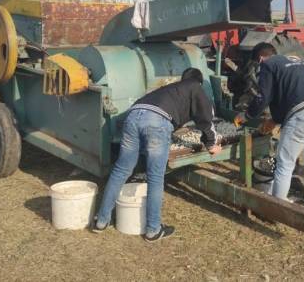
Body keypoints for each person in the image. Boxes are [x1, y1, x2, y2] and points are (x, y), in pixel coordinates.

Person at [93, 68, 222, 241]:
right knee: (155, 176)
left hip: (133, 116)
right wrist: (211, 144)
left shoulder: (170, 89)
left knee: (121, 170)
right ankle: (153, 230)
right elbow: (205, 117)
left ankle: (101, 221)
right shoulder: (194, 86)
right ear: (198, 81)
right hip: (157, 122)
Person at [236, 43, 304, 213]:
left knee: (285, 164)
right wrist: (276, 119)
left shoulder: (268, 64)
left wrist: (246, 115)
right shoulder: (298, 62)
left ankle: (276, 211)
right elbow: (289, 94)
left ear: (260, 58)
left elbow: (263, 97)